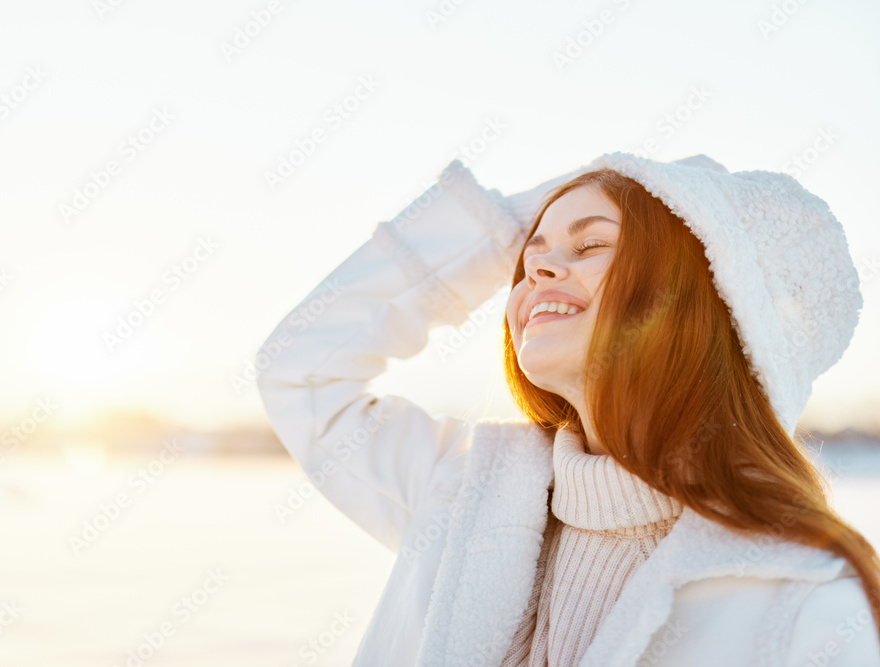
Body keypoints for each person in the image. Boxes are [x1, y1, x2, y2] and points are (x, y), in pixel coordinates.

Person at [255, 152, 880, 666]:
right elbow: (298, 367)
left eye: (591, 247)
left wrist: (676, 205)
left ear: (691, 297)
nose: (538, 268)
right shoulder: (459, 489)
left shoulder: (805, 597)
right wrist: (514, 221)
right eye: (529, 256)